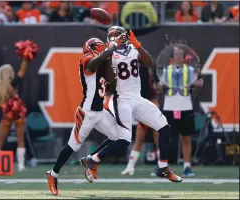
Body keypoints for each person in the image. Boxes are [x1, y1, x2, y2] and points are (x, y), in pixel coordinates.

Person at [84, 26, 182, 183]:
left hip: (137, 97)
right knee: (124, 141)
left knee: (165, 128)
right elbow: (108, 78)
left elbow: (150, 63)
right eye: (111, 35)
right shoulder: (107, 54)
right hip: (120, 99)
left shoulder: (132, 49)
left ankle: (163, 167)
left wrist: (138, 46)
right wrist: (109, 53)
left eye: (116, 35)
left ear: (123, 36)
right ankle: (93, 159)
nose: (114, 38)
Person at [45, 38, 121, 196]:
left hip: (100, 111)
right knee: (73, 146)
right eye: (99, 47)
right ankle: (53, 175)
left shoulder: (102, 62)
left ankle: (90, 159)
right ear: (93, 48)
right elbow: (95, 62)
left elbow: (112, 83)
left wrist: (110, 63)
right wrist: (110, 50)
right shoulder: (86, 60)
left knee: (118, 137)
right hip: (87, 112)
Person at [158, 45, 203, 177]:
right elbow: (159, 86)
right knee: (165, 138)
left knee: (186, 138)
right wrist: (159, 86)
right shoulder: (166, 70)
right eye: (176, 54)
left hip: (185, 107)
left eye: (180, 54)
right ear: (173, 56)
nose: (178, 56)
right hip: (169, 107)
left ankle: (187, 167)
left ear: (183, 56)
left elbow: (200, 82)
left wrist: (194, 83)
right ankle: (163, 166)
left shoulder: (190, 70)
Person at [121, 67, 160, 176]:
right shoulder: (131, 71)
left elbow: (157, 87)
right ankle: (130, 166)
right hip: (141, 103)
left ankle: (162, 166)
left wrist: (158, 87)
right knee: (139, 135)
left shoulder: (150, 70)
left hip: (151, 103)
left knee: (157, 135)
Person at [0, 58, 29, 172]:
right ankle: (21, 166)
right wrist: (26, 59)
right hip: (17, 112)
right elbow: (22, 71)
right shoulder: (13, 82)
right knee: (20, 139)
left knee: (0, 140)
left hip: (6, 113)